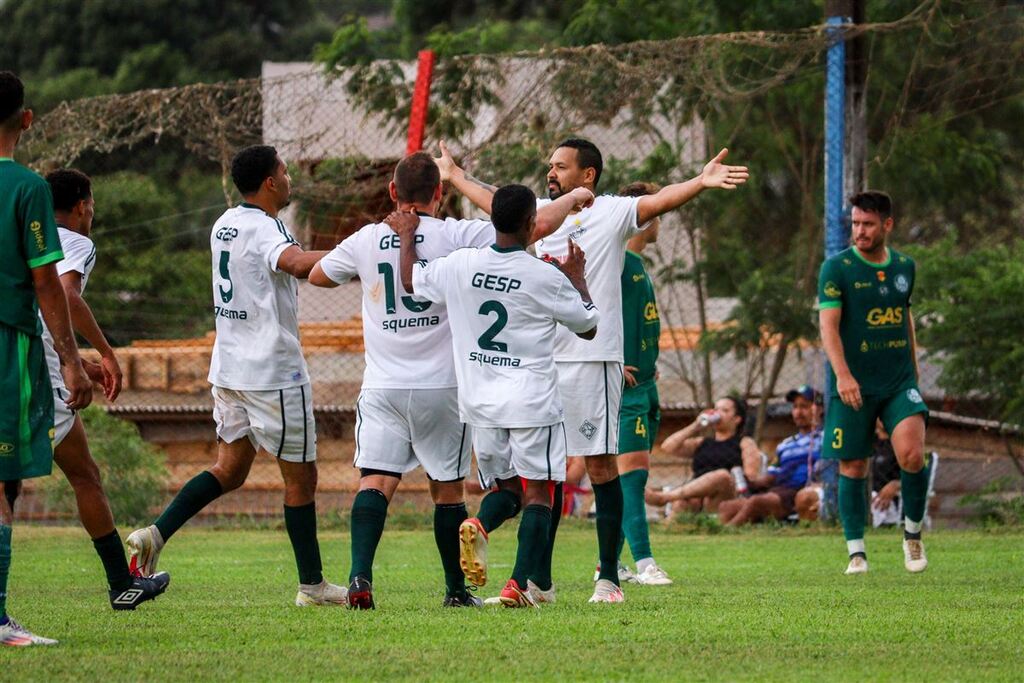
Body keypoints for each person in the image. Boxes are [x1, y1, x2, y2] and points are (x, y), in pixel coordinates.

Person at [435, 138, 748, 604]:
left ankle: (609, 579)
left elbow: (659, 200)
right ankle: (537, 582)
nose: (551, 172)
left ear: (588, 175)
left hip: (592, 358)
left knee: (601, 466)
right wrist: (457, 176)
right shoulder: (540, 214)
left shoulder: (612, 213)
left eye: (560, 166)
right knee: (547, 476)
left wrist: (700, 182)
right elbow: (497, 201)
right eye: (549, 165)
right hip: (540, 363)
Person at [308, 152, 593, 609]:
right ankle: (458, 591)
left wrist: (332, 258)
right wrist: (577, 196)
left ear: (393, 193)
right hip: (446, 387)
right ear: (439, 194)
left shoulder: (365, 239)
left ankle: (359, 578)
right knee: (450, 490)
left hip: (384, 385)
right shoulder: (461, 238)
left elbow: (316, 273)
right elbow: (535, 227)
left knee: (375, 482)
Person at [127, 145, 347, 606]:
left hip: (229, 367)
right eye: (285, 172)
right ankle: (312, 586)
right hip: (272, 372)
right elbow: (296, 264)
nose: (289, 179)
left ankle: (155, 534)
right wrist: (361, 253)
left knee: (230, 470)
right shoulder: (266, 228)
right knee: (301, 481)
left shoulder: (224, 222)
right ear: (270, 182)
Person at [396, 183, 599, 607]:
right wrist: (578, 281)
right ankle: (519, 585)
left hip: (480, 404)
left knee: (506, 491)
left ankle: (481, 526)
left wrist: (405, 238)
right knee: (539, 493)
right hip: (531, 403)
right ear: (531, 225)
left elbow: (412, 282)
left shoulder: (461, 264)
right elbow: (588, 327)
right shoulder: (544, 275)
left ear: (493, 221)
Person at [28, 169, 169, 609]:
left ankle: (121, 583)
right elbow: (67, 297)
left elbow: (38, 311)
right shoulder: (75, 243)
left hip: (21, 358)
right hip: (37, 375)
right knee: (84, 476)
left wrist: (76, 361)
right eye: (92, 207)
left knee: (81, 473)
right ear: (83, 207)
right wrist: (105, 353)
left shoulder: (22, 236)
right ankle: (119, 585)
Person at [0, 71, 93, 646]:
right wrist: (73, 359)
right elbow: (46, 281)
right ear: (26, 120)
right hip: (9, 346)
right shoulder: (28, 187)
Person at [818, 190, 929, 575]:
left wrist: (913, 373)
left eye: (867, 224)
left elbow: (905, 319)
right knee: (853, 465)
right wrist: (844, 376)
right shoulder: (836, 268)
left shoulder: (904, 267)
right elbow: (828, 327)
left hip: (899, 381)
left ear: (887, 225)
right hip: (854, 385)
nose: (860, 231)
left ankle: (912, 535)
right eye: (855, 224)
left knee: (912, 455)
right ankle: (856, 552)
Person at [596, 181, 670, 586]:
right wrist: (611, 361)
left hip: (645, 383)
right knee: (632, 475)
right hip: (623, 388)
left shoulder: (635, 264)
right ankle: (644, 563)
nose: (659, 217)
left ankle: (607, 562)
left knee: (630, 475)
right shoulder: (615, 260)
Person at [718, 386, 822, 526]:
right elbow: (772, 474)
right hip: (778, 491)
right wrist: (750, 482)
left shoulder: (825, 438)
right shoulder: (785, 445)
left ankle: (726, 534)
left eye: (804, 406)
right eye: (795, 407)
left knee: (757, 502)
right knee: (726, 507)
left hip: (801, 491)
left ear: (819, 409)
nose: (798, 412)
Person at [644, 396, 762, 513]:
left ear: (737, 419)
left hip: (725, 497)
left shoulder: (745, 442)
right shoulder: (701, 442)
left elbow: (750, 478)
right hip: (697, 496)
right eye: (716, 409)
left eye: (725, 410)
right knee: (681, 503)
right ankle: (673, 526)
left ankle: (664, 498)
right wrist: (696, 425)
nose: (718, 414)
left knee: (722, 476)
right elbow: (668, 447)